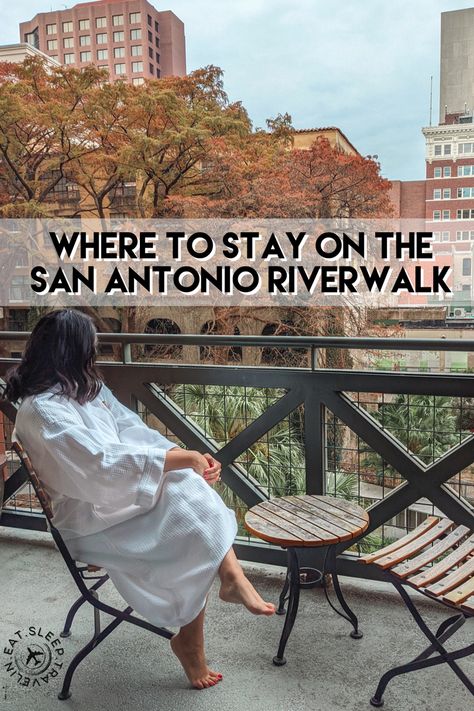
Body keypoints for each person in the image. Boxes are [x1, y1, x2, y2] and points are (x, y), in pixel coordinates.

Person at [4, 309, 275, 690]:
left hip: (116, 497)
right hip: (88, 517)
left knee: (187, 487)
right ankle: (194, 638)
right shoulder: (43, 410)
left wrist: (185, 459)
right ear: (69, 352)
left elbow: (132, 429)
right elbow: (99, 464)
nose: (94, 356)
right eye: (90, 348)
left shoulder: (83, 388)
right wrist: (182, 461)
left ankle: (229, 580)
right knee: (187, 515)